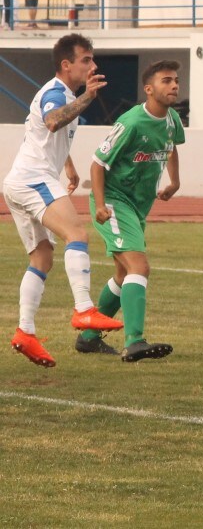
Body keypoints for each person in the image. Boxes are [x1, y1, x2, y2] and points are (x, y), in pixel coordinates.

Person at [5, 34, 122, 366]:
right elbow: (54, 120)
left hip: (22, 180)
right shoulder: (57, 93)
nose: (93, 65)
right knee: (78, 235)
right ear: (66, 65)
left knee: (42, 258)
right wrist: (87, 97)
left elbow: (43, 131)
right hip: (33, 179)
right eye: (86, 59)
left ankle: (25, 332)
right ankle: (84, 309)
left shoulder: (61, 94)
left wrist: (67, 165)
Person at [84, 60, 183, 362]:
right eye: (167, 81)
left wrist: (175, 181)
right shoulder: (131, 122)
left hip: (137, 206)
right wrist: (101, 205)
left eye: (176, 80)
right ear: (149, 89)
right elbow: (97, 164)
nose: (175, 85)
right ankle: (135, 341)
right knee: (139, 266)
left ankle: (89, 336)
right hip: (113, 201)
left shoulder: (171, 120)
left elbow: (171, 146)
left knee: (123, 272)